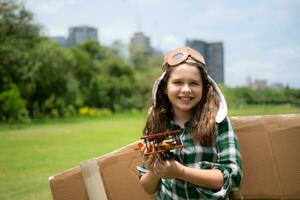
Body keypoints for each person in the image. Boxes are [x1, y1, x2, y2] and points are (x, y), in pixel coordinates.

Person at [137, 47, 242, 200]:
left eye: (194, 83)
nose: (186, 90)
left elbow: (234, 179)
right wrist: (154, 169)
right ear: (165, 87)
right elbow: (148, 187)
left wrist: (180, 172)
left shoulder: (219, 123)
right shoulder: (157, 124)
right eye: (178, 82)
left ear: (204, 88)